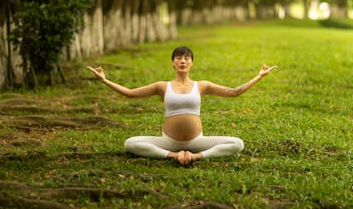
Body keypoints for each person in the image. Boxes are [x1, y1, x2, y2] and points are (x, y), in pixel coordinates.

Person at [87, 46, 277, 165]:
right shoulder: (162, 86)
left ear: (192, 63)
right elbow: (129, 93)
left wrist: (259, 77)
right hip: (169, 141)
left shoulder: (202, 86)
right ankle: (172, 155)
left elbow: (235, 92)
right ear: (173, 63)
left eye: (186, 58)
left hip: (196, 142)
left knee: (238, 143)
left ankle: (195, 157)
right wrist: (105, 80)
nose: (182, 60)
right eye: (178, 57)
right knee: (130, 143)